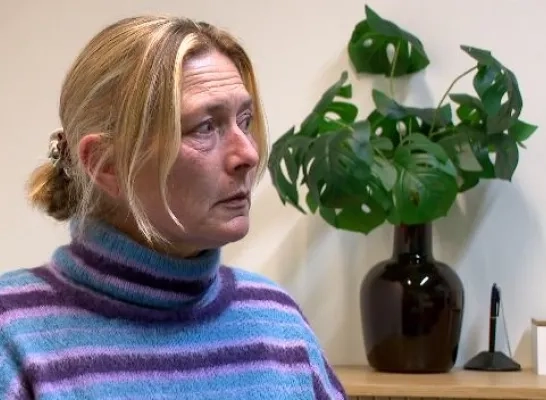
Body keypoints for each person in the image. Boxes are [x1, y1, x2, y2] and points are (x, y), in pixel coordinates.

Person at [0, 15, 347, 400]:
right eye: (205, 127)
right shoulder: (12, 336)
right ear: (106, 164)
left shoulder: (278, 322)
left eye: (245, 121)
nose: (247, 154)